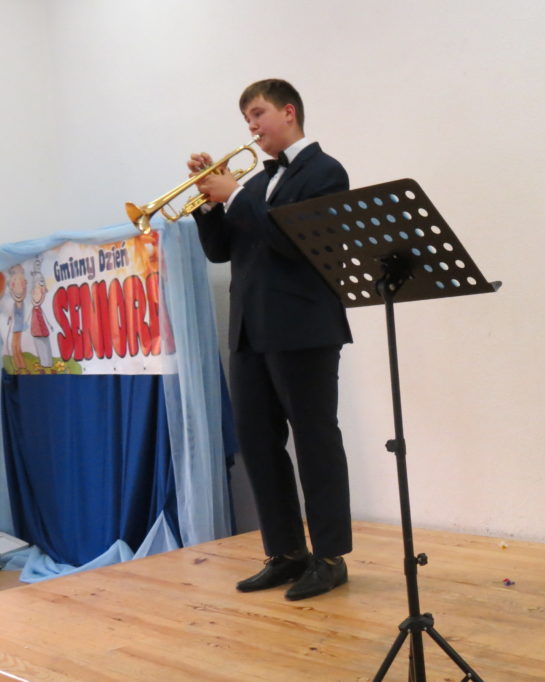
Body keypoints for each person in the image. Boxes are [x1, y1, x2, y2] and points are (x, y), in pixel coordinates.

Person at [191, 78, 353, 600]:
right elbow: (221, 251)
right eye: (247, 119)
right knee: (259, 444)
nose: (251, 126)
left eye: (258, 113)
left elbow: (295, 244)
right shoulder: (257, 183)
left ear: (288, 112)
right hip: (249, 330)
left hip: (304, 329)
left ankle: (329, 557)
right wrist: (209, 204)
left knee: (314, 440)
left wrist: (235, 195)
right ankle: (285, 552)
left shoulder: (325, 172)